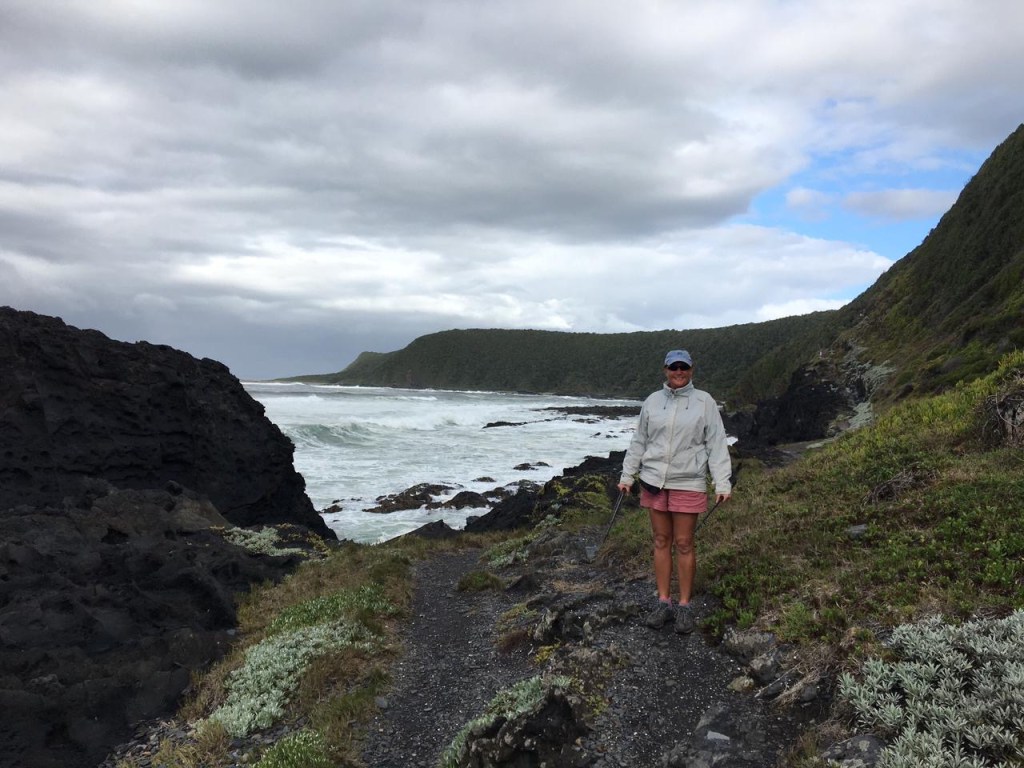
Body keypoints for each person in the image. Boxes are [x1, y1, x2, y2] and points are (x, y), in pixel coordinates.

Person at [617, 349, 732, 634]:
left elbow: (716, 443)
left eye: (684, 367)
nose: (678, 372)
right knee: (660, 540)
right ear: (665, 370)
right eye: (673, 367)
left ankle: (684, 606)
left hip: (688, 480)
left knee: (683, 543)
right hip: (654, 480)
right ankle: (663, 602)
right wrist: (627, 475)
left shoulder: (704, 402)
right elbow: (639, 441)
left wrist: (722, 482)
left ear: (691, 369)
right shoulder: (652, 402)